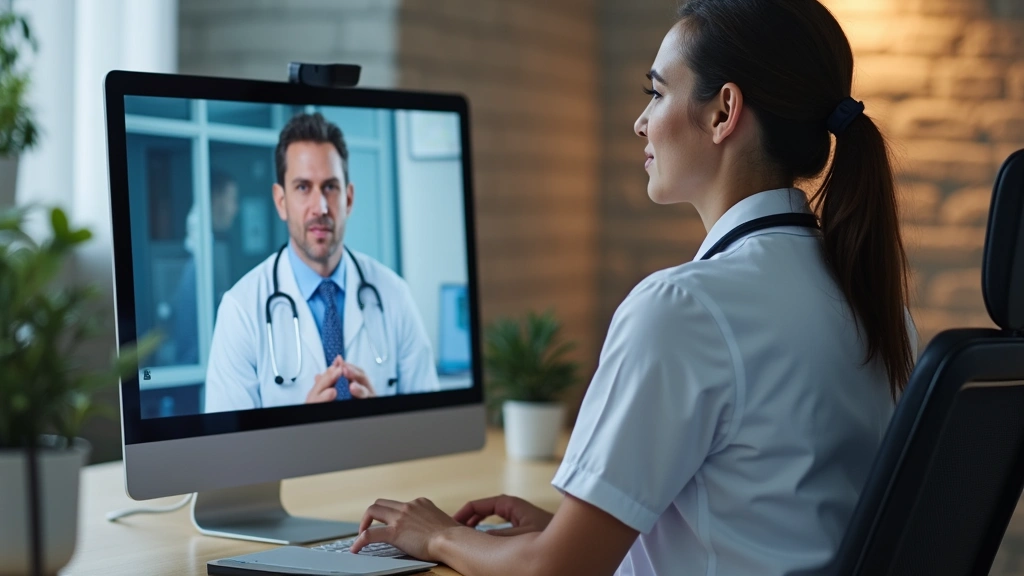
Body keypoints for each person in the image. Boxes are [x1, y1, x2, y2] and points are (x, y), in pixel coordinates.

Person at [347, 1, 919, 574]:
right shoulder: (878, 306)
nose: (641, 123)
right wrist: (577, 531)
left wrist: (439, 536)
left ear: (724, 112)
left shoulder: (684, 310)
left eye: (658, 92)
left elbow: (556, 571)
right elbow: (773, 523)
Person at [204, 112, 439, 412]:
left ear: (349, 198)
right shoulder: (240, 310)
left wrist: (382, 423)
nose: (321, 207)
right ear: (281, 201)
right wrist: (300, 434)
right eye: (303, 187)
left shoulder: (394, 294)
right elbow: (227, 451)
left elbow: (431, 424)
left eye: (330, 186)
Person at [172, 170, 239, 365]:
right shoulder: (196, 270)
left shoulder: (210, 259)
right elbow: (189, 345)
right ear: (215, 199)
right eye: (232, 199)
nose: (235, 208)